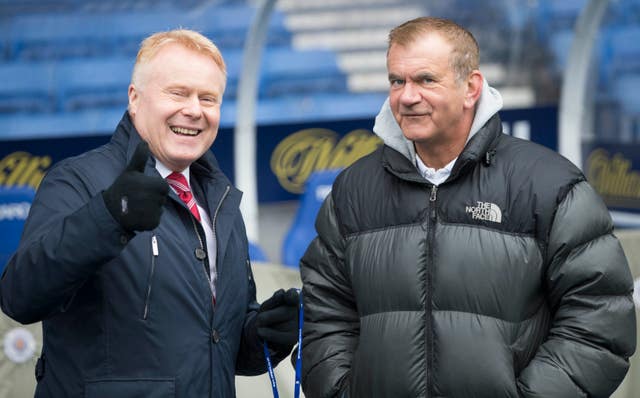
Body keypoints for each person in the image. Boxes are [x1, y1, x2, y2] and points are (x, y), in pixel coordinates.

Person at [298, 17, 636, 398]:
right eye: (397, 81)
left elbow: (600, 322)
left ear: (471, 87)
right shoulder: (354, 189)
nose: (407, 96)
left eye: (426, 80)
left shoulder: (549, 185)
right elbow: (324, 313)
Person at [0, 29, 299, 397]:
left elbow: (215, 347)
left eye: (209, 98)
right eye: (177, 93)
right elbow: (20, 296)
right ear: (134, 99)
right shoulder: (77, 180)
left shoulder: (220, 201)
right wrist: (109, 216)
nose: (194, 110)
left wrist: (263, 334)